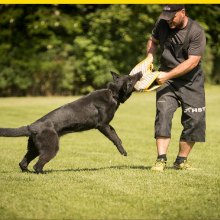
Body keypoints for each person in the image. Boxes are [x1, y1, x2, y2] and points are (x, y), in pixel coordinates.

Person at [146, 4, 206, 171]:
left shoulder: (196, 31)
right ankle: (161, 159)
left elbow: (193, 62)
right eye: (166, 16)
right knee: (163, 114)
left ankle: (181, 161)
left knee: (195, 121)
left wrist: (167, 75)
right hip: (166, 81)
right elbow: (153, 40)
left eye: (172, 16)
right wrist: (150, 57)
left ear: (183, 12)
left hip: (191, 81)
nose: (168, 20)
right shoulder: (162, 23)